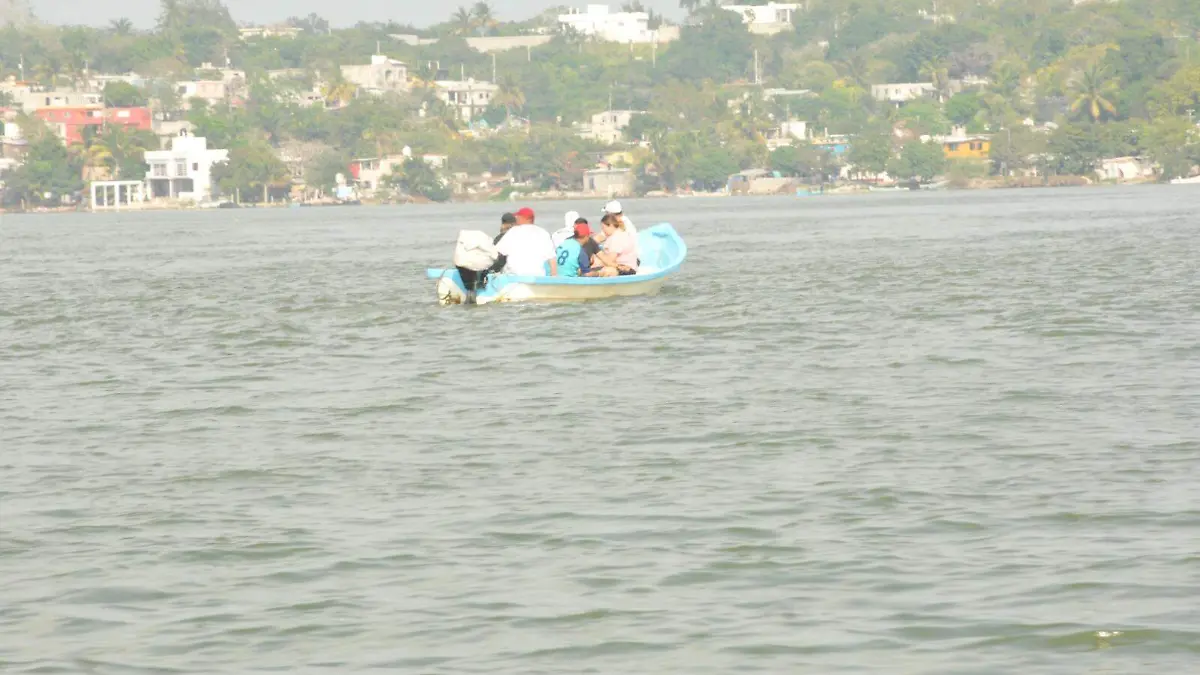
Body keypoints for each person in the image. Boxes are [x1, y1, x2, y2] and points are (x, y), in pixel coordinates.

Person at [495, 206, 557, 277]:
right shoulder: (543, 233)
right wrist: (554, 277)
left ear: (524, 218)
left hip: (514, 277)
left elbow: (497, 252)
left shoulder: (513, 231)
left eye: (518, 217)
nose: (516, 218)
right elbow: (552, 259)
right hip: (537, 277)